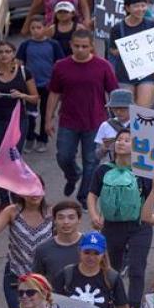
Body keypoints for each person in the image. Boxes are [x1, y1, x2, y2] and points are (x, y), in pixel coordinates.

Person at [87, 129, 154, 308]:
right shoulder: (103, 170)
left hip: (139, 227)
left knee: (137, 267)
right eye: (119, 139)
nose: (121, 142)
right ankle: (114, 305)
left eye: (127, 140)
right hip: (111, 227)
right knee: (112, 269)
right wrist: (94, 215)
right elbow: (92, 194)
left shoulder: (144, 172)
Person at [45, 30, 119, 208]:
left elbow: (114, 93)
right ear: (70, 45)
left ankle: (84, 196)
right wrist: (48, 119)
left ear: (91, 46)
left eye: (84, 46)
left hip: (96, 122)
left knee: (92, 161)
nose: (80, 49)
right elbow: (54, 93)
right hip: (68, 121)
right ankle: (72, 175)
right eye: (76, 46)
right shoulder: (60, 66)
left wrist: (118, 121)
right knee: (64, 156)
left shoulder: (103, 66)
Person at [0, 41, 39, 208]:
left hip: (18, 121)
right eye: (0, 52)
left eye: (7, 51)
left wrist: (21, 95)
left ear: (13, 54)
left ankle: (16, 195)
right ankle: (4, 200)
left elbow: (35, 97)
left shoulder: (24, 72)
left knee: (13, 159)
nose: (4, 55)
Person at [0, 187, 52, 308]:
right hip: (15, 275)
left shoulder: (51, 212)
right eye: (30, 190)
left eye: (38, 189)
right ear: (21, 193)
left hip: (43, 277)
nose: (34, 194)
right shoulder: (12, 211)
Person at [52, 231, 130, 308]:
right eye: (87, 252)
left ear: (103, 254)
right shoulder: (66, 274)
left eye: (96, 253)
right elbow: (53, 302)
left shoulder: (112, 277)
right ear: (79, 251)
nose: (91, 257)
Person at [16, 16, 65, 154]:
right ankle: (30, 138)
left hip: (49, 86)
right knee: (30, 114)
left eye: (39, 27)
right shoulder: (25, 45)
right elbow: (19, 64)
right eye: (33, 28)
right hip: (30, 86)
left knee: (45, 114)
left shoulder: (53, 44)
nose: (36, 31)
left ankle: (43, 140)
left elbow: (60, 64)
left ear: (45, 28)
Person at [107, 0, 154, 108]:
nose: (140, 9)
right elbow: (113, 50)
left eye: (143, 5)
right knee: (126, 109)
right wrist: (129, 48)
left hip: (146, 72)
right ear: (127, 8)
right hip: (125, 73)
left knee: (142, 111)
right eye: (136, 6)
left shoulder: (151, 25)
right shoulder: (118, 27)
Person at [32, 201, 82, 279]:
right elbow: (37, 281)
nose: (66, 222)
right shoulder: (43, 250)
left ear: (79, 220)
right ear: (54, 220)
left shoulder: (90, 246)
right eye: (61, 218)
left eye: (71, 217)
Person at [94, 89, 132, 162]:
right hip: (112, 167)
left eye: (122, 108)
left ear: (130, 107)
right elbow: (97, 156)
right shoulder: (106, 125)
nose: (118, 112)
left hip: (135, 168)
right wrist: (104, 148)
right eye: (115, 108)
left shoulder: (139, 125)